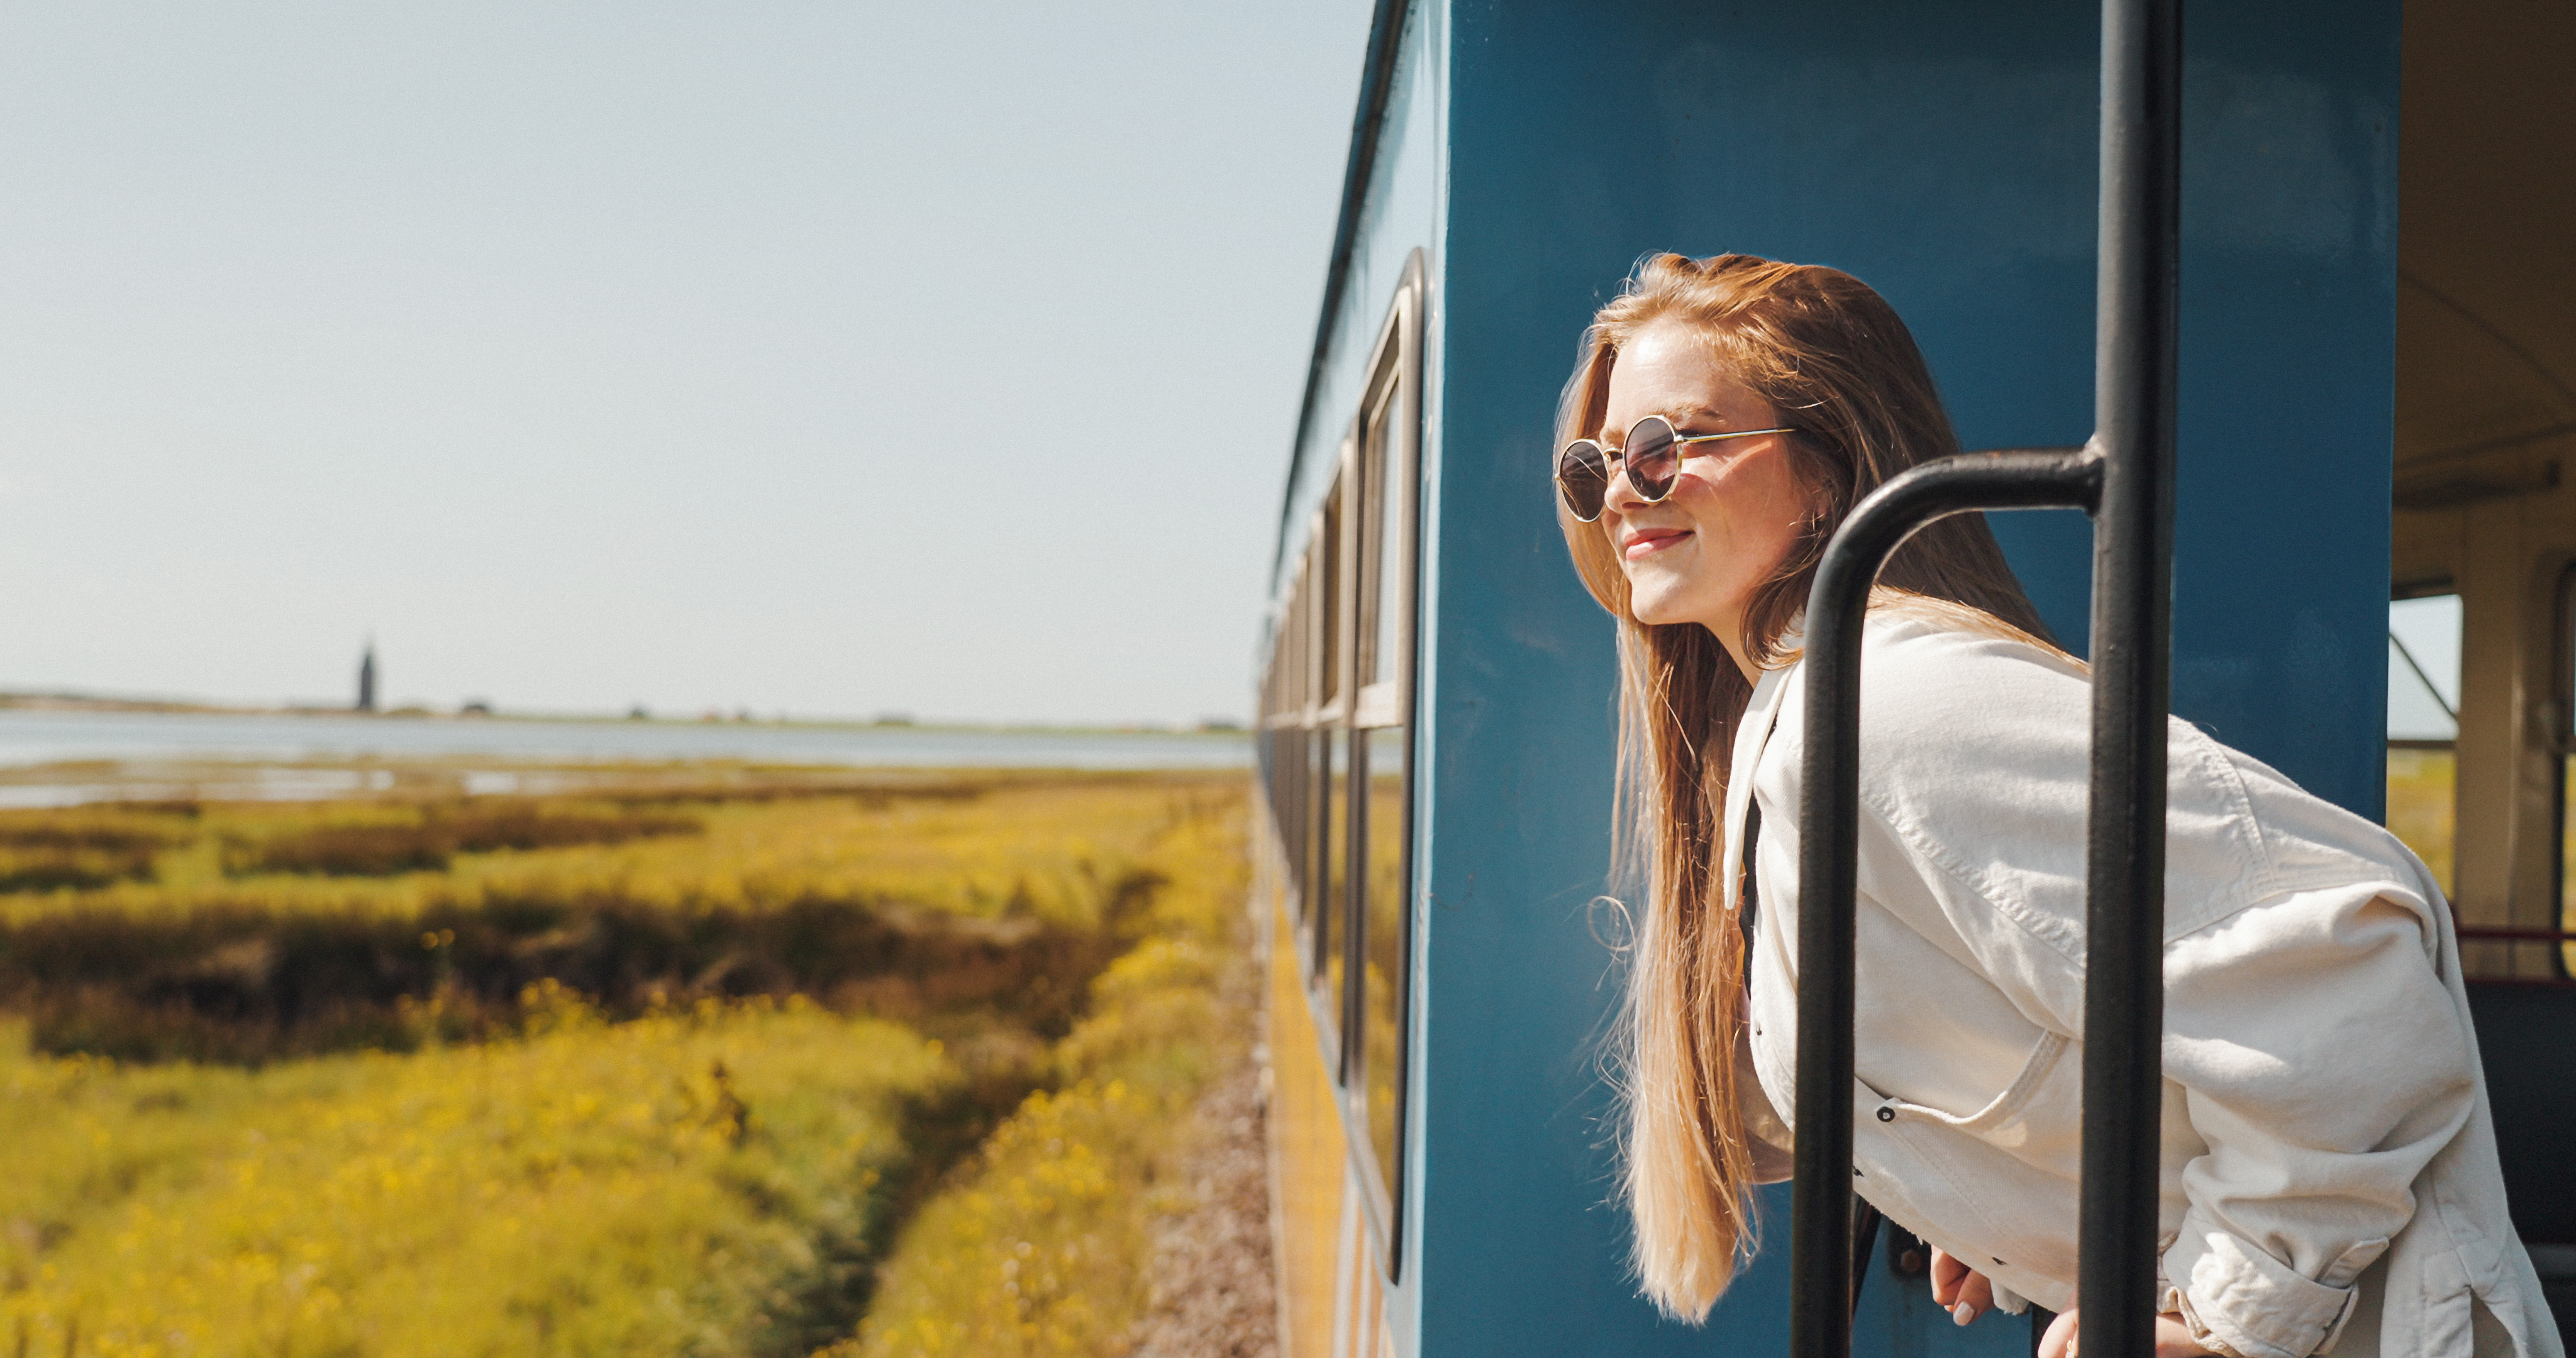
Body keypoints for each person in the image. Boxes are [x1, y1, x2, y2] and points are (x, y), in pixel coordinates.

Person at [1553, 252, 2562, 1358]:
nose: (1619, 495)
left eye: (1665, 447)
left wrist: (2225, 1317)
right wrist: (2000, 1182)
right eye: (1594, 465)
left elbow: (2356, 968)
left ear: (1830, 464)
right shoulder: (1801, 710)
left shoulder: (1887, 704)